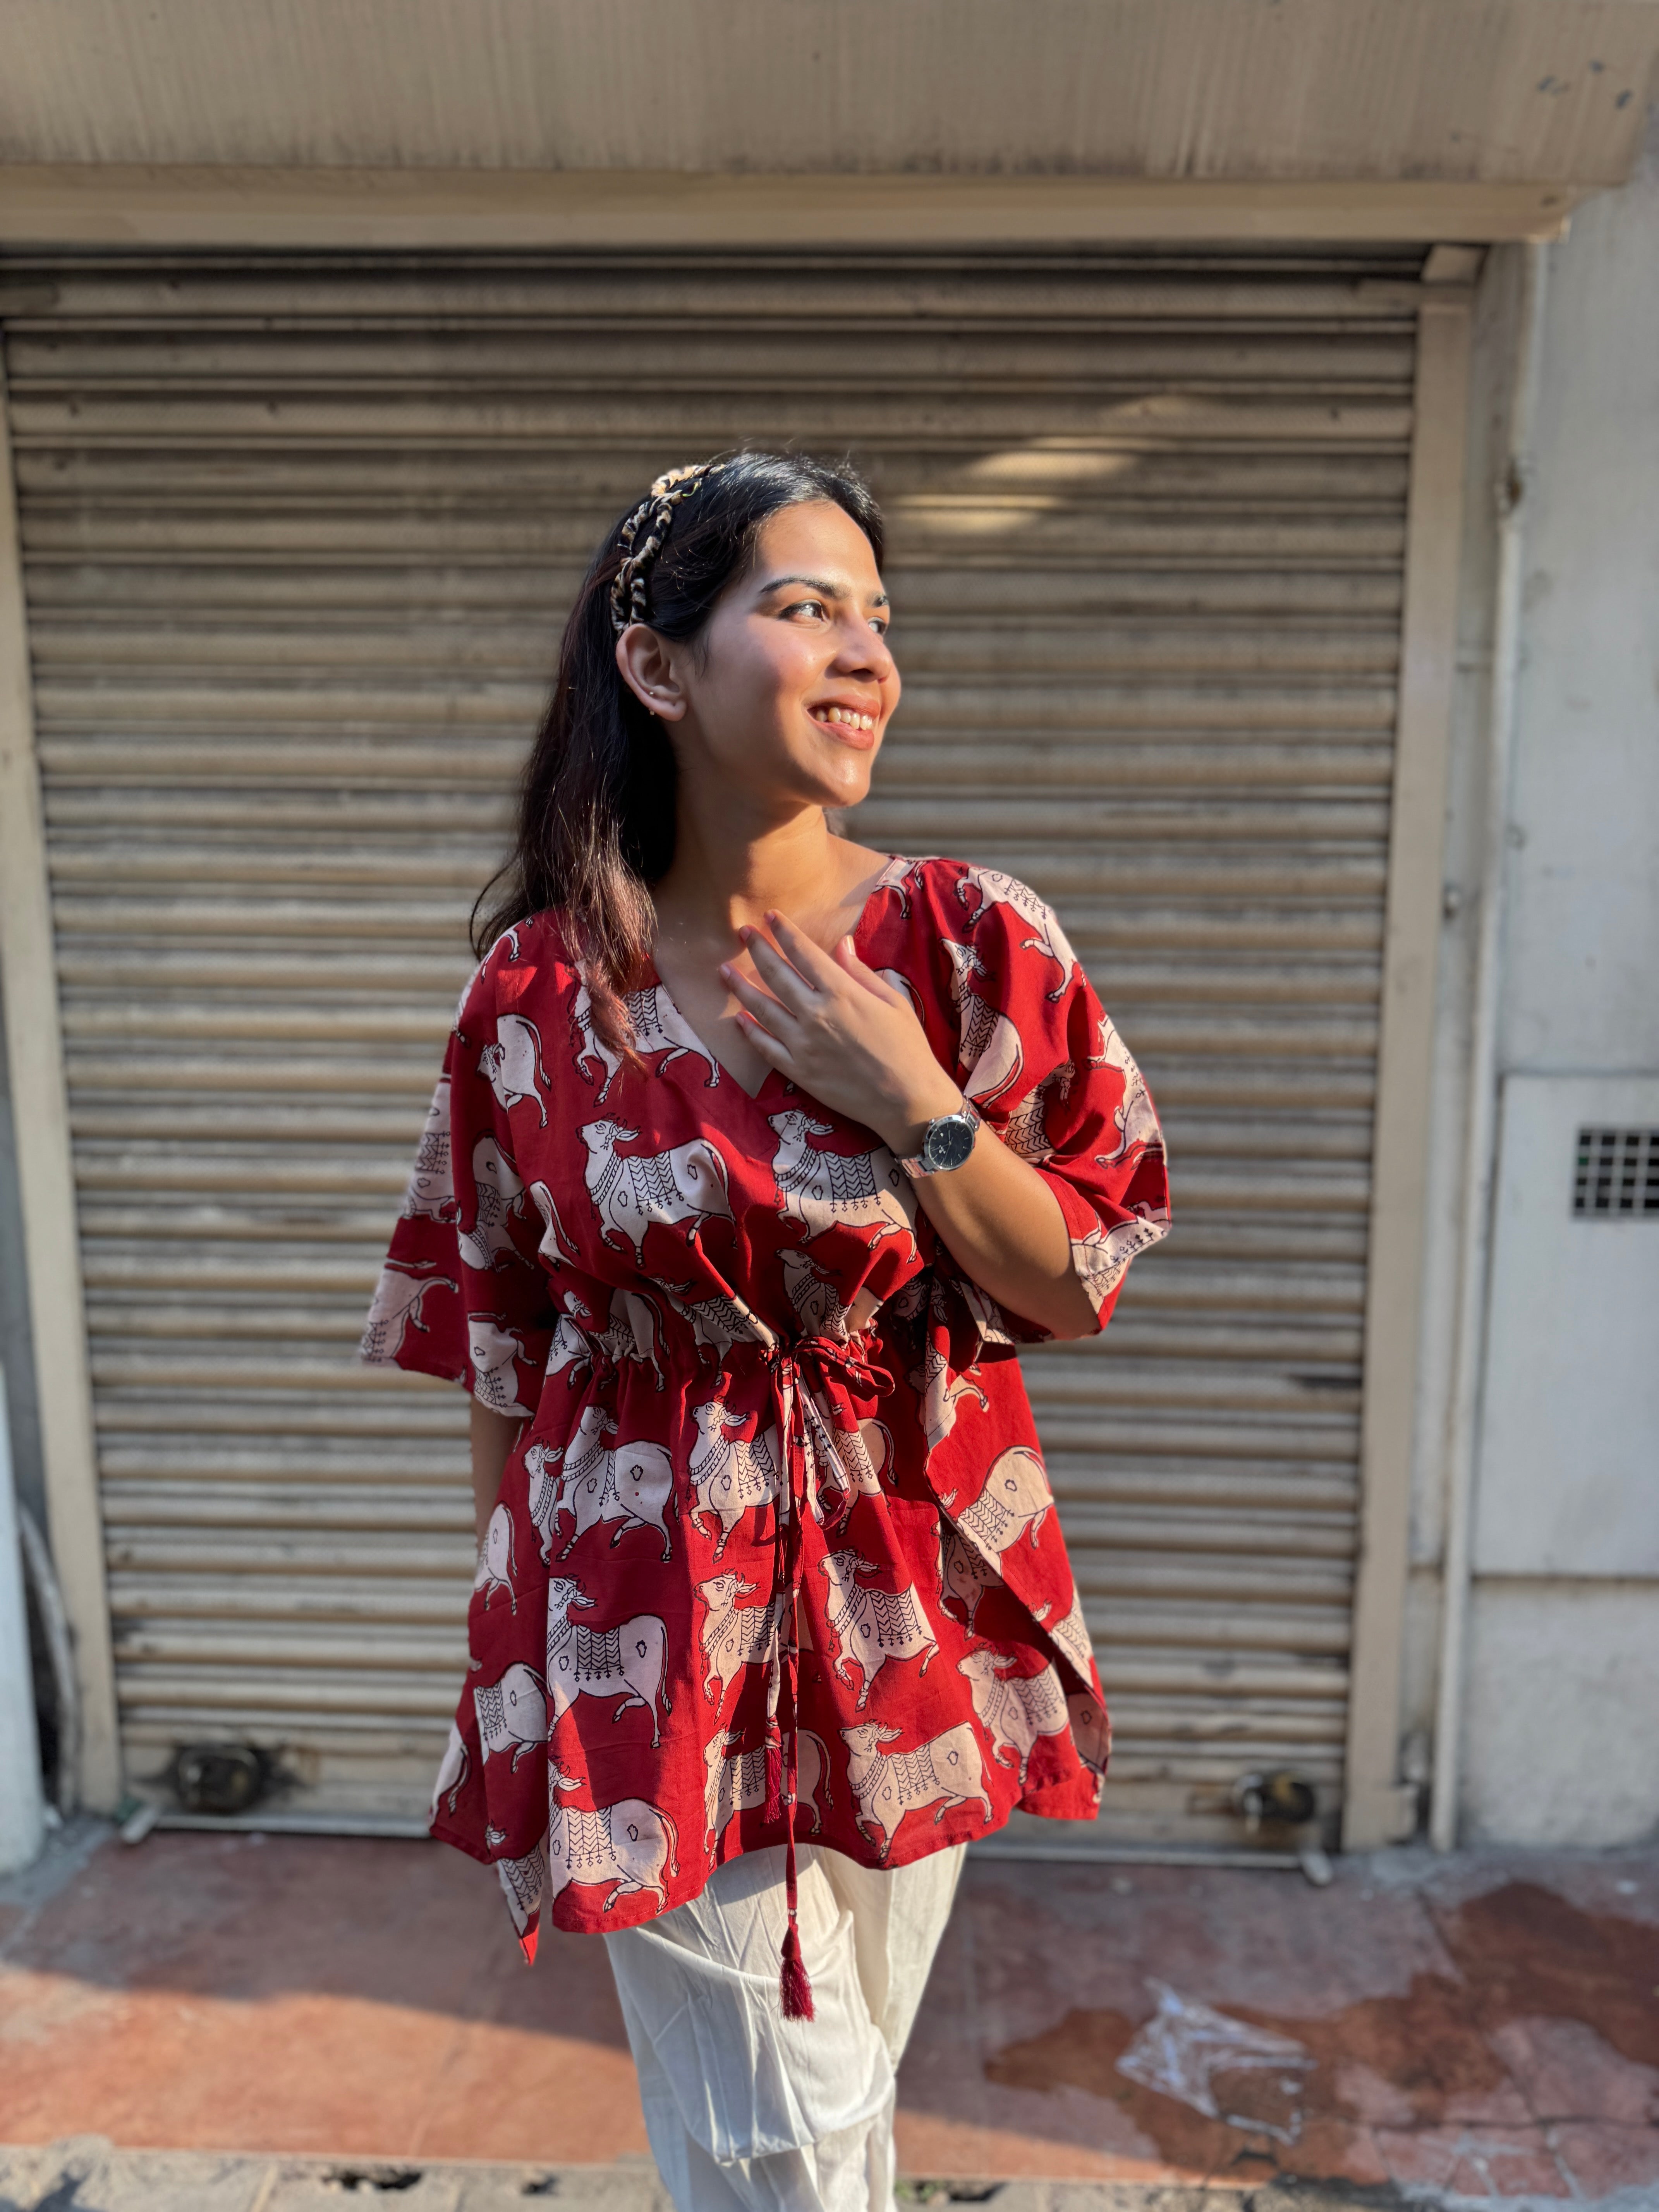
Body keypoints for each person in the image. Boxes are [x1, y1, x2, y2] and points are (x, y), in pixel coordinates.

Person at [362, 452, 1170, 2211]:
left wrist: (912, 1098)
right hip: (644, 1610)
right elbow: (501, 1336)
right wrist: (510, 1634)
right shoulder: (536, 994)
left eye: (879, 617)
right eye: (806, 608)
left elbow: (1074, 1277)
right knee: (778, 2138)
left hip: (909, 1598)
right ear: (659, 666)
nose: (865, 653)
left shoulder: (966, 945)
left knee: (840, 2097)